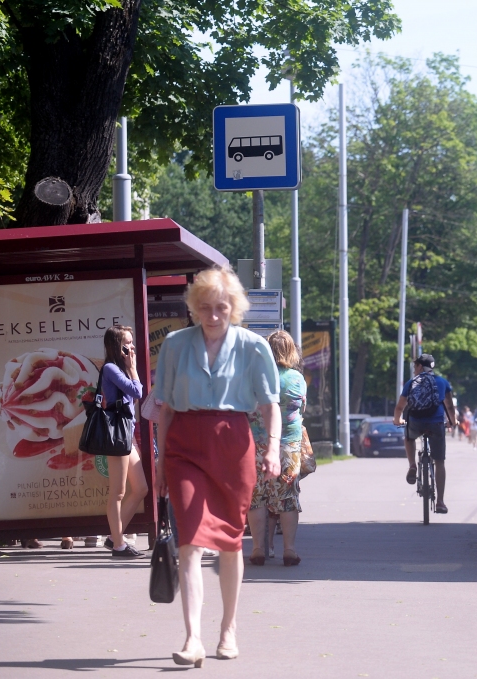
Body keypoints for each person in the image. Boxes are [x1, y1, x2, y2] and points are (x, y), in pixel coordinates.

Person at [154, 265, 281, 667]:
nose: (213, 316)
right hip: (185, 447)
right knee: (189, 539)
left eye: (221, 308)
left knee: (228, 541)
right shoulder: (174, 345)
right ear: (193, 308)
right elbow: (166, 410)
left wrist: (273, 449)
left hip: (233, 445)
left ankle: (228, 629)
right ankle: (192, 639)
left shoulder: (252, 347)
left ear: (234, 308)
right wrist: (159, 462)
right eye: (205, 307)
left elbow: (270, 405)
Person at [247, 331, 307, 568]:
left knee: (257, 498)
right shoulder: (296, 378)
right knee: (287, 498)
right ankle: (289, 550)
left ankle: (258, 548)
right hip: (289, 446)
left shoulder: (255, 376)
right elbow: (302, 409)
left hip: (257, 445)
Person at [99, 324, 147, 558]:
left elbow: (133, 398)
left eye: (132, 343)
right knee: (117, 492)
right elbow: (137, 392)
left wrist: (131, 369)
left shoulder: (121, 369)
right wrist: (134, 369)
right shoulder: (110, 368)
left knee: (141, 488)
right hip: (116, 433)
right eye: (127, 344)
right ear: (117, 346)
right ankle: (118, 545)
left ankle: (113, 537)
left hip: (126, 432)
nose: (132, 348)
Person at [394, 354, 456, 514]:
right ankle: (441, 502)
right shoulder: (442, 382)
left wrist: (397, 420)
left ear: (421, 367)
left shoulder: (411, 383)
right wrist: (452, 421)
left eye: (415, 366)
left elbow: (400, 407)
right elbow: (449, 406)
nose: (415, 370)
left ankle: (413, 465)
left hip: (416, 421)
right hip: (436, 423)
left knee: (409, 437)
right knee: (440, 462)